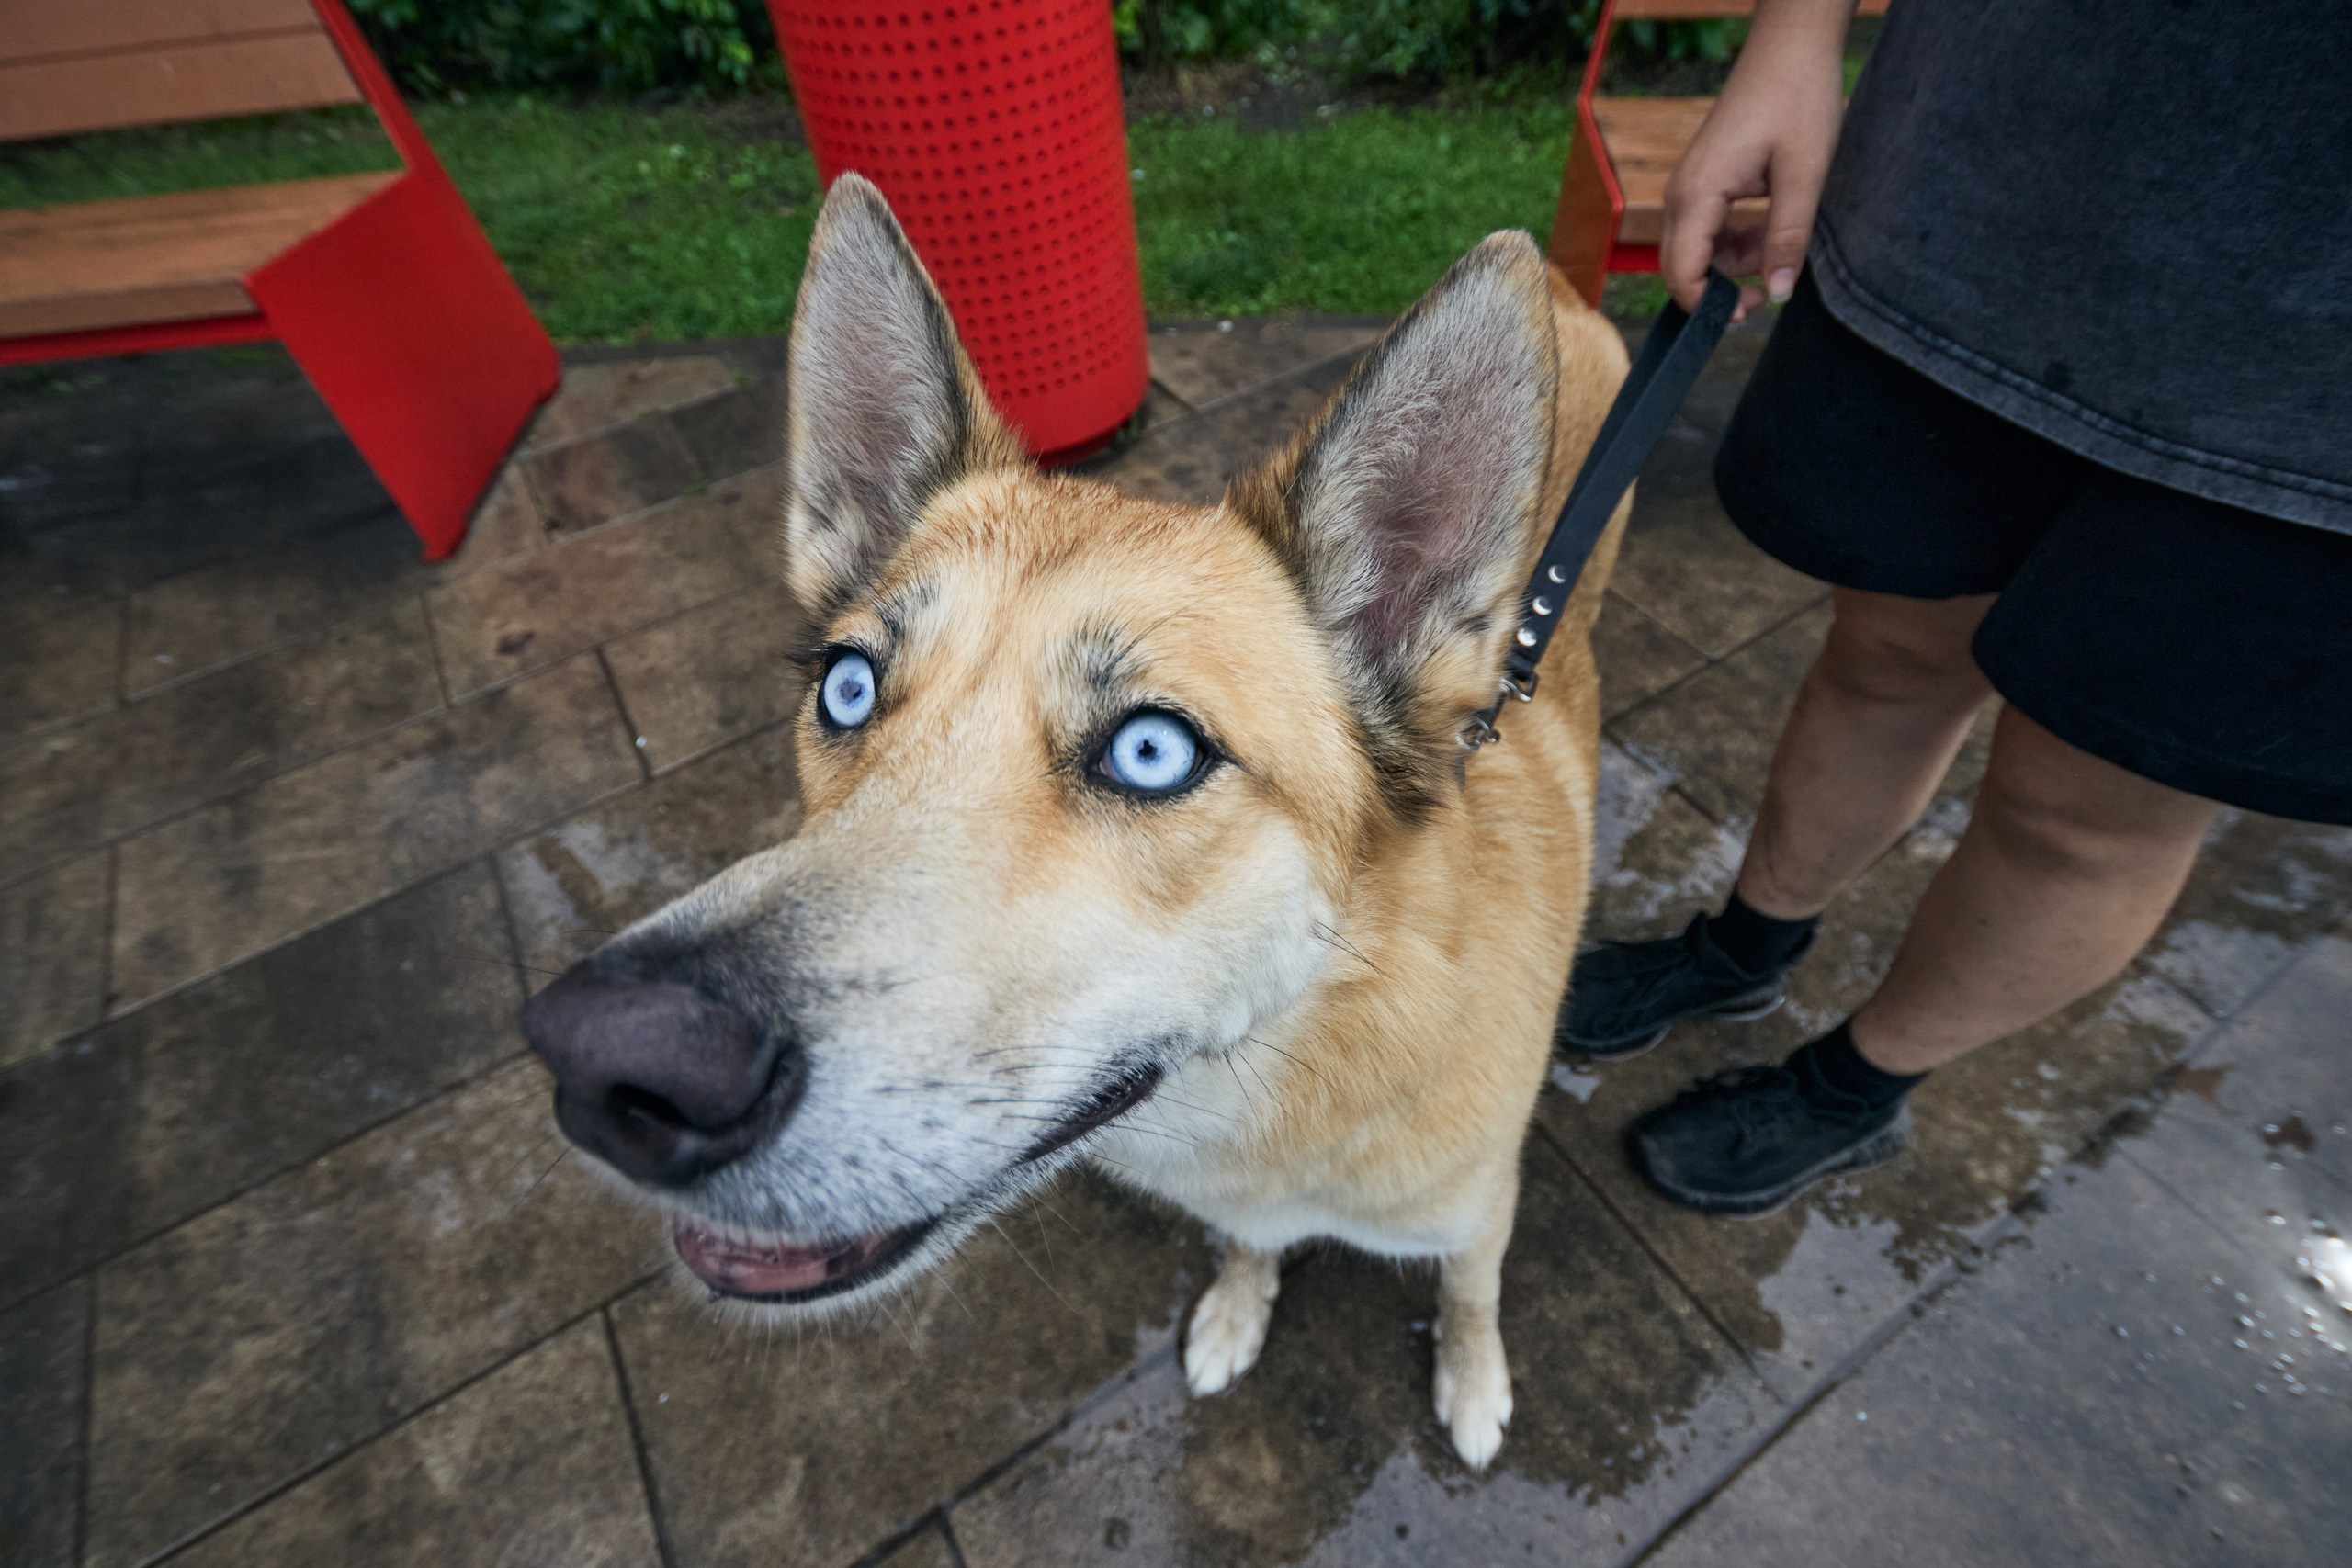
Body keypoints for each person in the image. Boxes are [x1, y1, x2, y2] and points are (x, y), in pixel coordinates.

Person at [1561, 0, 2352, 1214]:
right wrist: (1796, 36)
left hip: (2317, 399)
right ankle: (1744, 949)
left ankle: (1856, 1087)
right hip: (1979, 187)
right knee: (1883, 655)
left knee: (2085, 811)